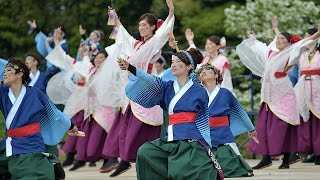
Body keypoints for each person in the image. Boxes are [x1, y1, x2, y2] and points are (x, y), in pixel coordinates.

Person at [118, 48, 223, 180]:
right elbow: (150, 79)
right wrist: (131, 68)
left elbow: (204, 119)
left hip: (191, 140)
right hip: (171, 139)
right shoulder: (167, 87)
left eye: (178, 61)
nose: (173, 65)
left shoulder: (199, 90)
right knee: (146, 152)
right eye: (172, 61)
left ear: (189, 66)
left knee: (179, 170)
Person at [99, 0, 175, 177]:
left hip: (147, 87)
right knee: (125, 127)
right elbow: (122, 33)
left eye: (144, 25)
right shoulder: (136, 44)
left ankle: (148, 159)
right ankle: (124, 160)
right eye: (139, 25)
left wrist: (171, 11)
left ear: (152, 27)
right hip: (132, 89)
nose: (141, 28)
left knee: (140, 128)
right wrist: (113, 15)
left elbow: (163, 32)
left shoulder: (154, 43)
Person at [236, 20, 320, 169]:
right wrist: (252, 39)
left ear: (288, 43)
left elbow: (304, 43)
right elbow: (259, 47)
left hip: (282, 94)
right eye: (278, 38)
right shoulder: (272, 53)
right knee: (263, 127)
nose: (278, 40)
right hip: (268, 96)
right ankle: (266, 158)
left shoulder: (292, 52)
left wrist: (318, 33)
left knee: (284, 127)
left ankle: (286, 160)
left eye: (282, 39)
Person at [45, 33, 117, 171]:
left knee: (104, 135)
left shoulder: (110, 71)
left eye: (102, 58)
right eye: (97, 58)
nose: (98, 60)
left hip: (106, 110)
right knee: (92, 142)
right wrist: (56, 42)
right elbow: (68, 60)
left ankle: (112, 158)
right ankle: (102, 159)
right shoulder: (89, 69)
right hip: (91, 109)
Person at [0, 57, 77, 179]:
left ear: (20, 74)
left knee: (35, 175)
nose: (5, 73)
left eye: (9, 70)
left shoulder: (36, 94)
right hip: (10, 142)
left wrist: (71, 126)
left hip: (31, 143)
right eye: (4, 71)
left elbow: (55, 114)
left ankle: (48, 164)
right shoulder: (3, 93)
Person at [198, 63, 256, 177]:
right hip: (202, 135)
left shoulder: (225, 93)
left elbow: (240, 111)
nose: (203, 72)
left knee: (228, 165)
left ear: (216, 75)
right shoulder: (196, 93)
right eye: (201, 71)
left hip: (222, 134)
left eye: (208, 70)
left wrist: (251, 128)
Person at [294, 27, 320, 165]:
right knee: (306, 120)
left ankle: (319, 153)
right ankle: (310, 150)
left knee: (317, 122)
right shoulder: (302, 54)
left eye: (307, 37)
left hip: (317, 88)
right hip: (304, 88)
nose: (305, 39)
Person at [185, 28, 234, 93]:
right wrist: (190, 41)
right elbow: (195, 56)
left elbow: (226, 80)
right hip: (204, 90)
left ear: (218, 46)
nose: (207, 46)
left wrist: (224, 94)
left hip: (218, 91)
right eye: (206, 44)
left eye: (210, 44)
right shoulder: (205, 58)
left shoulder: (223, 60)